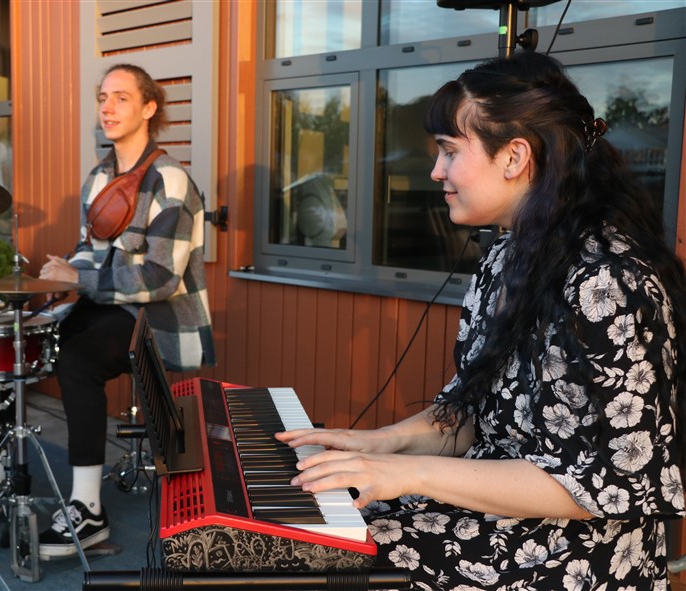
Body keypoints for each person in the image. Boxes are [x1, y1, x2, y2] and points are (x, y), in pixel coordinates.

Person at [277, 50, 686, 589]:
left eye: (449, 150)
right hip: (501, 521)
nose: (435, 170)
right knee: (306, 541)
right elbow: (470, 414)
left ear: (514, 157)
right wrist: (377, 444)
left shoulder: (606, 282)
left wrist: (408, 471)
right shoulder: (506, 257)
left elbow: (611, 485)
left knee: (329, 565)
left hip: (575, 557)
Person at [34, 63, 215, 558]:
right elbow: (89, 253)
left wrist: (79, 280)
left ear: (149, 108)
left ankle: (88, 510)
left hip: (161, 320)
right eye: (103, 98)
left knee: (78, 358)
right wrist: (62, 273)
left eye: (121, 98)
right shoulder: (99, 177)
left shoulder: (170, 180)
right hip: (109, 305)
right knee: (29, 337)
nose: (108, 108)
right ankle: (2, 473)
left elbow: (160, 278)